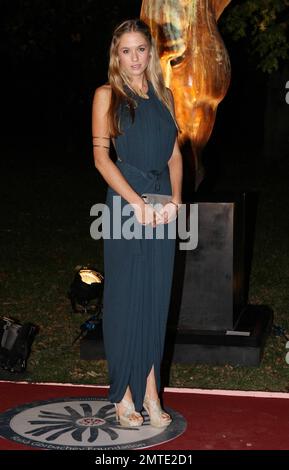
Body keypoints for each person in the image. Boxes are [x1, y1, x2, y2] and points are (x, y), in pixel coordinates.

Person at [92, 18, 183, 428]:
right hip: (125, 204)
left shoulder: (164, 96)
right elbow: (101, 159)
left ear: (150, 52)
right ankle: (124, 395)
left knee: (154, 299)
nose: (134, 57)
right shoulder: (106, 95)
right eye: (125, 50)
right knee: (126, 300)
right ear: (117, 55)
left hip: (163, 206)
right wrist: (136, 202)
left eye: (140, 49)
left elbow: (175, 157)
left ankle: (150, 391)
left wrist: (176, 201)